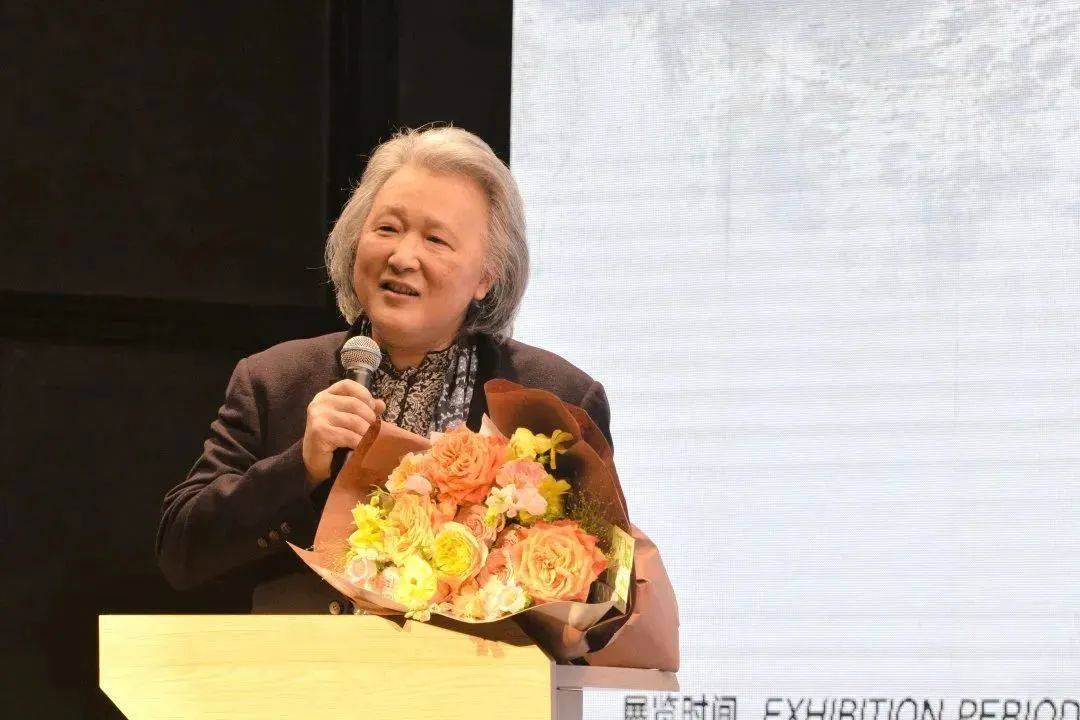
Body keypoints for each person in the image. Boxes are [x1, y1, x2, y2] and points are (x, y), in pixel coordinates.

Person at [155, 125, 678, 670]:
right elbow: (181, 552)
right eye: (387, 228)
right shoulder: (276, 380)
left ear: (486, 276)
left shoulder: (556, 398)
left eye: (436, 240)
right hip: (301, 682)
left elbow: (602, 597)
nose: (402, 256)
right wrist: (300, 467)